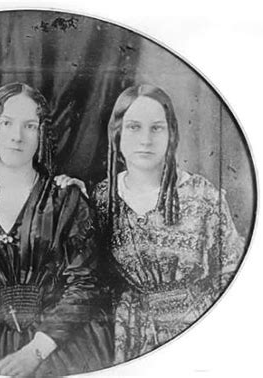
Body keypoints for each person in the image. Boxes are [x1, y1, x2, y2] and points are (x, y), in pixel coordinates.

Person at [59, 84, 245, 364]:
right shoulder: (101, 198)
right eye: (134, 127)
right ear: (117, 135)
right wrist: (75, 199)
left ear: (171, 135)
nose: (145, 139)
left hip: (195, 331)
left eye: (156, 128)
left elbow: (234, 275)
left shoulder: (202, 195)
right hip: (130, 337)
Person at [0, 82, 114, 376]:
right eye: (7, 123)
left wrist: (36, 350)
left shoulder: (66, 200)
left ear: (41, 134)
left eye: (30, 126)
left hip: (61, 343)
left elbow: (86, 285)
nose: (17, 136)